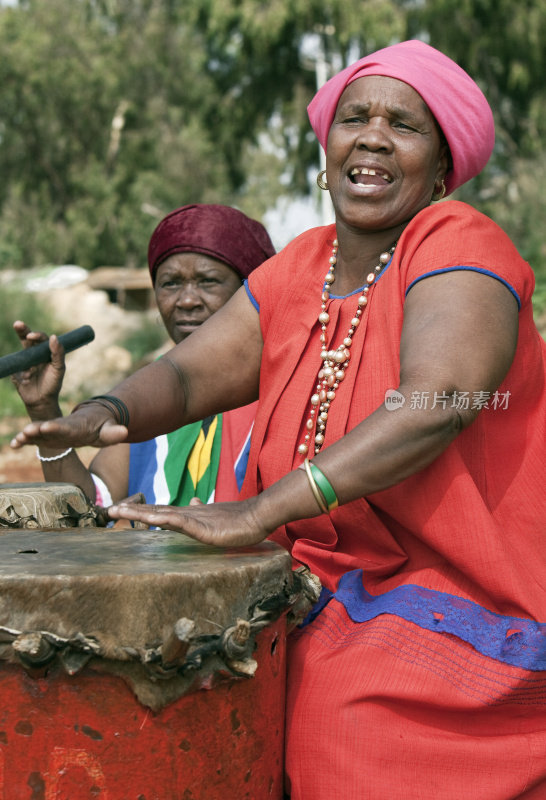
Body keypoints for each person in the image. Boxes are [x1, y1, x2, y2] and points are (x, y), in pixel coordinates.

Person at [11, 40, 546, 799]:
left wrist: (263, 509)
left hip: (450, 599)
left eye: (404, 125)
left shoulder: (458, 241)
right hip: (317, 590)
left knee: (336, 718)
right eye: (355, 117)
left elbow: (442, 399)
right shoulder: (302, 264)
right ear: (326, 147)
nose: (371, 135)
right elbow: (189, 373)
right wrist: (99, 414)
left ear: (442, 168)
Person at [12, 204, 275, 508]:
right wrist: (44, 409)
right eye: (170, 283)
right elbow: (89, 505)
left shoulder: (284, 388)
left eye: (208, 281)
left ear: (251, 293)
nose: (187, 300)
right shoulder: (150, 396)